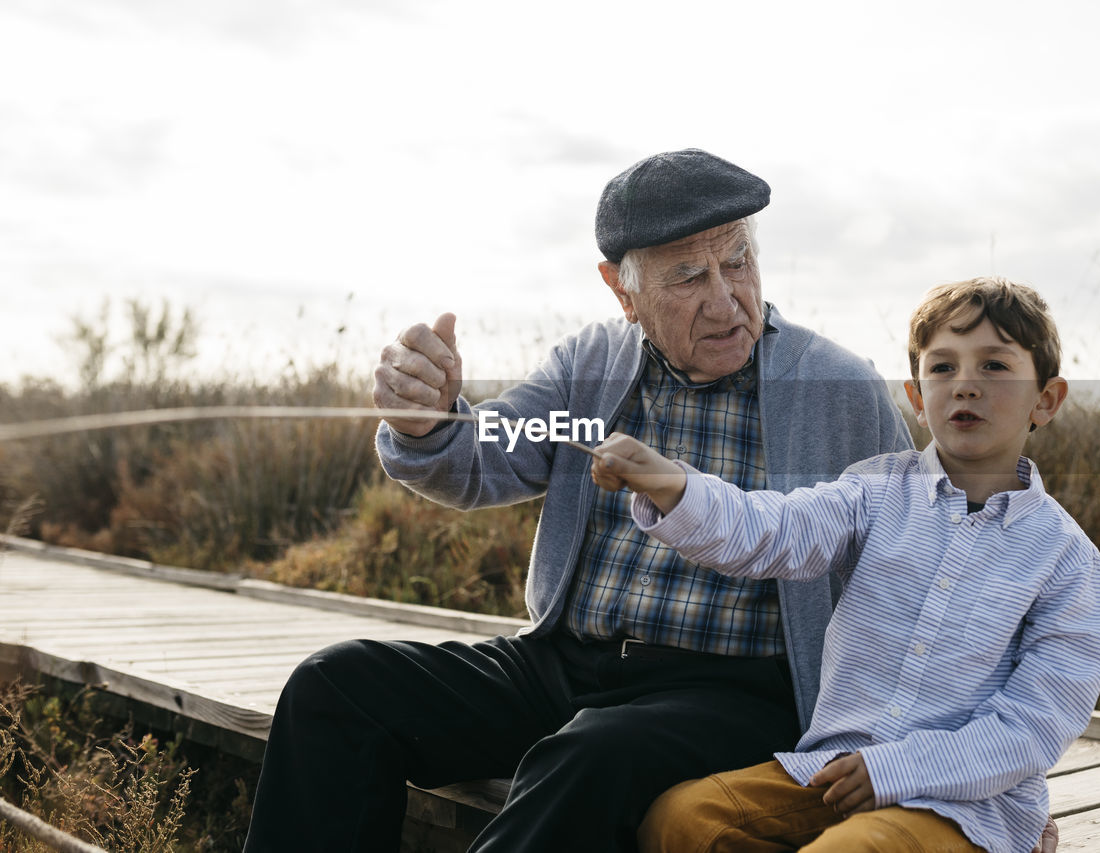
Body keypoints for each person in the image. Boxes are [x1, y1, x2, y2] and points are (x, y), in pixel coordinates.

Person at [241, 148, 915, 852]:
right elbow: (479, 457)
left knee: (589, 754)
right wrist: (428, 421)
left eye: (738, 261)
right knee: (337, 686)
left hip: (737, 693)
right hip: (563, 665)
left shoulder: (840, 390)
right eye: (688, 275)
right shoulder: (588, 367)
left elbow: (918, 561)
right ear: (622, 291)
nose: (725, 299)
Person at [590, 277, 1100, 853]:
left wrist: (895, 770)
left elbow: (1032, 728)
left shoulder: (1067, 560)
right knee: (681, 820)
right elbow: (773, 530)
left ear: (1047, 399)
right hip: (829, 775)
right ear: (916, 397)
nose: (965, 384)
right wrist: (669, 482)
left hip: (962, 805)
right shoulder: (873, 491)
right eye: (942, 368)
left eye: (994, 367)